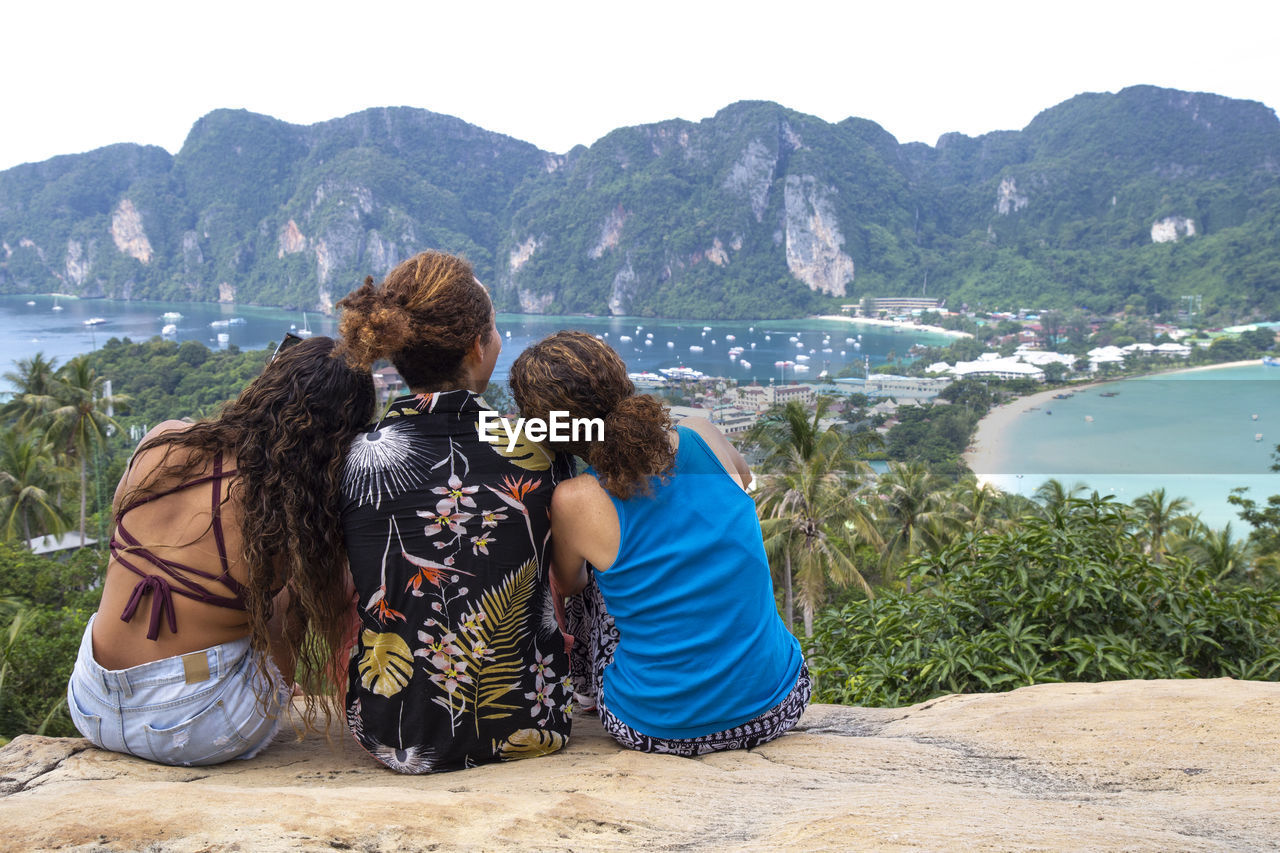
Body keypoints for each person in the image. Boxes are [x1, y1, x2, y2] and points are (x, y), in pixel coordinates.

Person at [67, 335, 376, 766]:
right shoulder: (285, 513)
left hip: (91, 701)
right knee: (292, 591)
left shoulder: (163, 442)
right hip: (188, 728)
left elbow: (124, 524)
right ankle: (277, 689)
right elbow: (319, 605)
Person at [508, 330, 810, 755]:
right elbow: (743, 482)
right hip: (779, 703)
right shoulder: (703, 434)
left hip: (656, 727)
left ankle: (585, 697)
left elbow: (570, 586)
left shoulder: (575, 500)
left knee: (588, 577)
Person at [336, 250, 575, 774]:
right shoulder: (540, 449)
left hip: (392, 731)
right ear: (476, 346)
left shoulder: (351, 459)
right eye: (494, 330)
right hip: (530, 724)